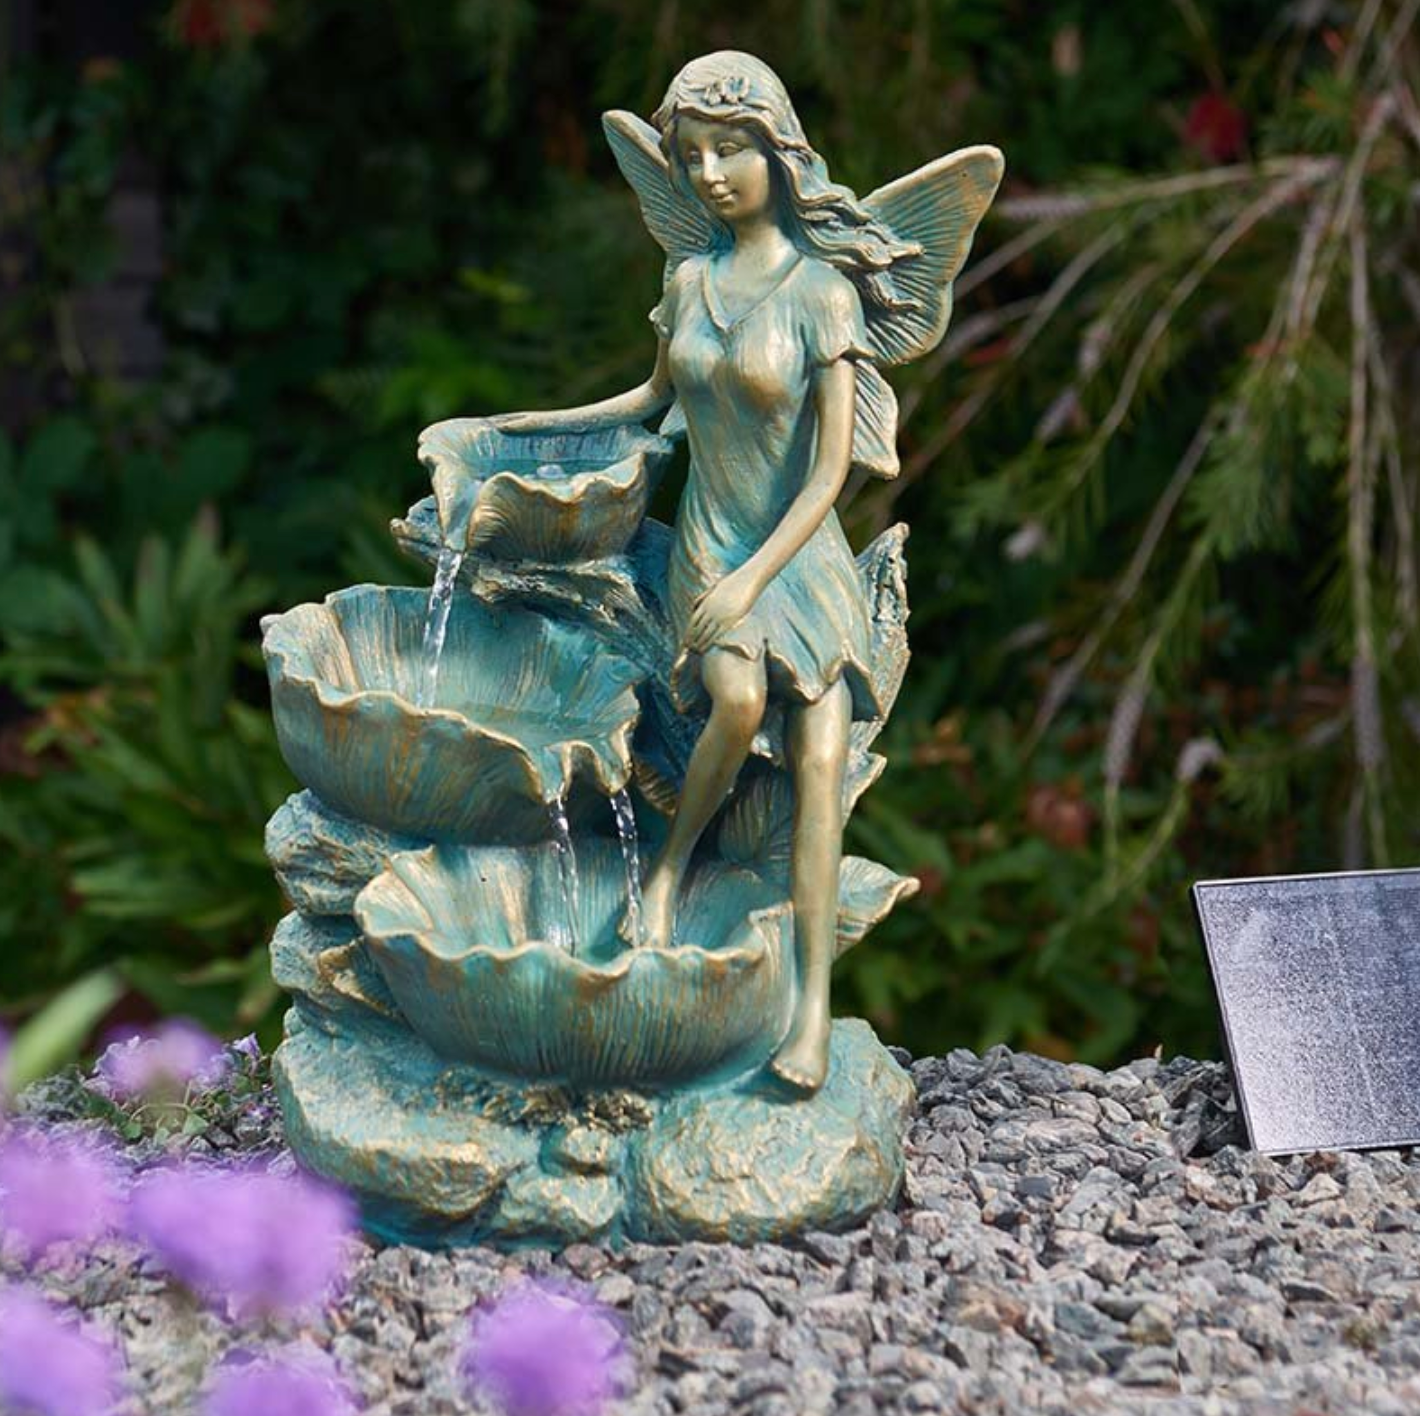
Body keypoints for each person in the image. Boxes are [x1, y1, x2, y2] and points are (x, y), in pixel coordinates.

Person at [497, 51, 1001, 1092]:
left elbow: (829, 473)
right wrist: (519, 428)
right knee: (734, 702)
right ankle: (670, 872)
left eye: (730, 150)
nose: (710, 174)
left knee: (823, 768)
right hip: (710, 542)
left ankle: (809, 1014)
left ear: (779, 150)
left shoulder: (822, 293)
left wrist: (755, 581)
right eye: (692, 157)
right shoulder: (688, 280)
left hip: (795, 554)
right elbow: (646, 403)